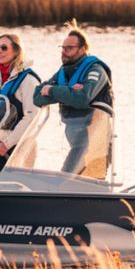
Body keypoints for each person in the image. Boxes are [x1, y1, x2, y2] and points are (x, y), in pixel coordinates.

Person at [33, 20, 114, 177]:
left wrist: (52, 91)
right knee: (71, 183)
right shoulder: (63, 73)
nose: (64, 52)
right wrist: (67, 91)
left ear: (82, 49)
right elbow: (37, 97)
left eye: (69, 48)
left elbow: (82, 99)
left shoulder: (96, 70)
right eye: (62, 48)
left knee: (66, 181)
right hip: (77, 142)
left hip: (97, 142)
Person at [0, 33, 40, 171]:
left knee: (10, 184)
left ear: (17, 50)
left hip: (22, 146)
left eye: (4, 47)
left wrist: (8, 144)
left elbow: (31, 117)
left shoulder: (29, 80)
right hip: (1, 145)